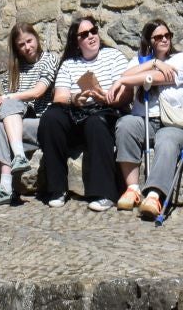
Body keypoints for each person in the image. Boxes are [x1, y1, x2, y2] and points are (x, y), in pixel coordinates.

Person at [38, 15, 131, 210]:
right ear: (76, 41)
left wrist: (107, 97)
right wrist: (75, 99)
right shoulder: (70, 64)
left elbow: (126, 93)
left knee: (96, 122)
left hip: (107, 110)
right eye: (84, 34)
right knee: (50, 118)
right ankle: (57, 189)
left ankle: (104, 193)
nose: (91, 36)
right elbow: (60, 98)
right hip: (77, 112)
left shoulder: (113, 56)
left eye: (93, 31)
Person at [113, 19, 183, 218]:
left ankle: (154, 195)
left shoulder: (180, 59)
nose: (164, 39)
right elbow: (126, 73)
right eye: (158, 37)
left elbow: (155, 78)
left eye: (167, 35)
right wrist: (152, 62)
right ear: (149, 41)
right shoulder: (141, 60)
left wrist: (125, 79)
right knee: (125, 125)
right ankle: (132, 188)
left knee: (166, 139)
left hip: (173, 123)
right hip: (145, 119)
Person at [0, 22, 60, 205]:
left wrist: (8, 98)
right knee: (2, 122)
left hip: (42, 122)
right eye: (21, 45)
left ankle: (8, 180)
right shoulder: (14, 70)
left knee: (9, 109)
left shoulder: (49, 59)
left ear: (36, 38)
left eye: (29, 41)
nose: (27, 47)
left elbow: (38, 92)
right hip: (17, 124)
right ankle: (9, 179)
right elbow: (3, 105)